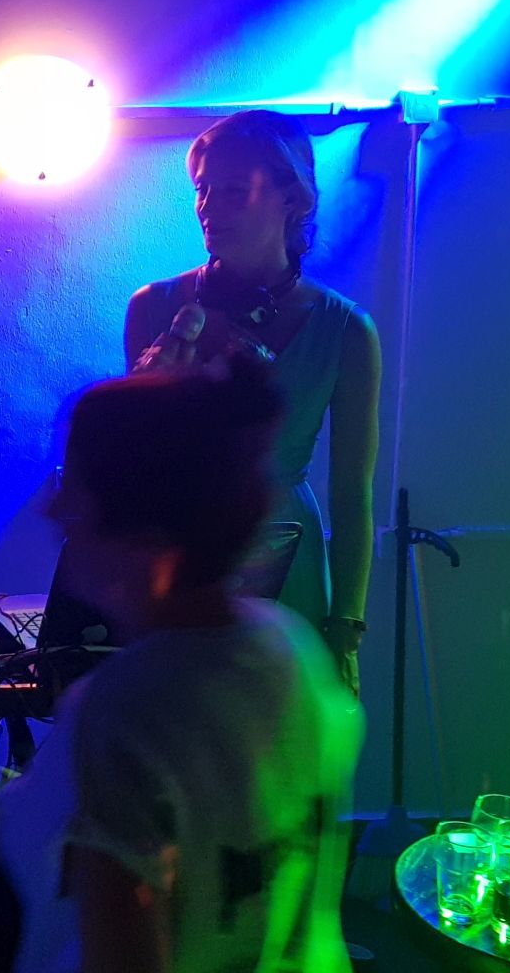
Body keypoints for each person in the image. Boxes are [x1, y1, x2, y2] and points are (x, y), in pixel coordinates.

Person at [0, 367, 362, 972]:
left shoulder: (124, 714)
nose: (54, 509)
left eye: (75, 485)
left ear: (145, 528)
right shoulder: (292, 648)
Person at [119, 110, 381, 693]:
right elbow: (127, 479)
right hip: (179, 563)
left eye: (234, 190)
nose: (208, 208)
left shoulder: (346, 330)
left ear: (292, 199)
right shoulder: (154, 308)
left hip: (289, 566)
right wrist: (143, 405)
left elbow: (351, 495)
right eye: (202, 189)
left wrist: (347, 628)